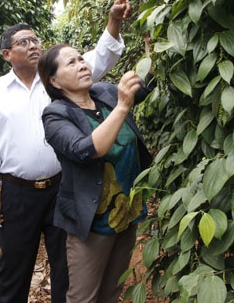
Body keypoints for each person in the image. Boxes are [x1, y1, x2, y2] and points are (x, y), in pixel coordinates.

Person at [0, 0, 134, 303]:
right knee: (14, 263)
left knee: (66, 265)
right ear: (8, 53)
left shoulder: (61, 82)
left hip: (62, 188)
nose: (34, 45)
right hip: (18, 192)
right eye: (24, 42)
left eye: (35, 39)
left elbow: (100, 57)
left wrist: (114, 21)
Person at [38, 43, 153, 303]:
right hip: (92, 222)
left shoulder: (105, 92)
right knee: (84, 297)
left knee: (111, 292)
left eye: (81, 59)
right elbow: (86, 150)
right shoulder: (55, 115)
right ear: (55, 81)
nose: (82, 64)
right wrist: (123, 107)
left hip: (126, 213)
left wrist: (151, 50)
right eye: (71, 63)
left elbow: (145, 85)